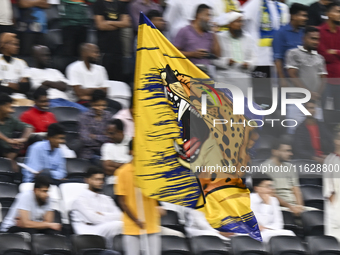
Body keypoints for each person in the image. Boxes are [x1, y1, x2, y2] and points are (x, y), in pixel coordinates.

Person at [116, 140, 161, 255]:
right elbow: (122, 202)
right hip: (132, 225)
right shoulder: (122, 172)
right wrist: (136, 220)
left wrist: (158, 206)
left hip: (151, 223)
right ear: (131, 151)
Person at [285, 26, 327, 134]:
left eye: (317, 39)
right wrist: (308, 93)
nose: (315, 42)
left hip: (314, 103)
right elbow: (292, 75)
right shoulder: (293, 53)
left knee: (316, 134)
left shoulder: (320, 58)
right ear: (304, 38)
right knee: (294, 134)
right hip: (296, 101)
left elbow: (323, 79)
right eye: (312, 38)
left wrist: (316, 95)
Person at [71, 167, 122, 248]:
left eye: (101, 179)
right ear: (87, 180)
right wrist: (107, 217)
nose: (100, 182)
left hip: (105, 229)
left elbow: (121, 216)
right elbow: (94, 219)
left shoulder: (107, 199)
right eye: (97, 179)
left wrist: (103, 214)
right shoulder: (80, 200)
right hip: (88, 231)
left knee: (123, 224)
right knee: (119, 224)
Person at [29, 45, 88, 112]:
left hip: (66, 101)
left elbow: (64, 86)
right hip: (49, 101)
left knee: (88, 112)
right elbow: (40, 90)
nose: (48, 58)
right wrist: (56, 84)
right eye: (44, 55)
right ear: (35, 57)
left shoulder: (55, 71)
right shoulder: (29, 72)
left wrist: (48, 83)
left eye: (48, 55)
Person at [213, 12, 256, 95]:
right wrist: (226, 62)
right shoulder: (220, 38)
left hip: (243, 76)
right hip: (225, 77)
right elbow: (213, 60)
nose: (241, 24)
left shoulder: (248, 38)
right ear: (230, 24)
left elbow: (254, 57)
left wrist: (249, 64)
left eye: (241, 21)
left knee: (243, 105)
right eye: (237, 21)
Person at [261, 138, 305, 216]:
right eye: (286, 151)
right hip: (279, 207)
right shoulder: (265, 167)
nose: (290, 154)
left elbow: (296, 190)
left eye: (290, 151)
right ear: (274, 152)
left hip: (294, 206)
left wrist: (300, 206)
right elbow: (271, 194)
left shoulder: (291, 167)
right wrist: (290, 207)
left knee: (316, 214)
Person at [164, 0, 240, 42]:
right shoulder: (176, 1)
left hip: (202, 36)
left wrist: (228, 17)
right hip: (179, 36)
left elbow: (212, 19)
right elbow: (168, 21)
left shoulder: (209, 1)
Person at [242, 0, 289, 68]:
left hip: (277, 54)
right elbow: (241, 17)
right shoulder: (256, 3)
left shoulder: (283, 7)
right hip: (258, 54)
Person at [250, 174, 295, 243]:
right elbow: (260, 222)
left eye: (271, 186)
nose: (271, 189)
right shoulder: (249, 200)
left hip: (270, 231)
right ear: (257, 188)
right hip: (252, 233)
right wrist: (266, 204)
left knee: (290, 233)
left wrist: (267, 228)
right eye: (268, 186)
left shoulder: (273, 200)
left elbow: (279, 224)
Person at [93, 0, 131, 81]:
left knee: (118, 79)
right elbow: (100, 25)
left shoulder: (120, 4)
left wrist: (108, 22)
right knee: (104, 78)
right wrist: (118, 24)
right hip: (104, 49)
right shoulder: (98, 3)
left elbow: (126, 23)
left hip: (118, 48)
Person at [272, 3, 308, 87]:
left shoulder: (304, 33)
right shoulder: (280, 33)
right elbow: (277, 59)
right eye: (303, 16)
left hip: (303, 78)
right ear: (294, 16)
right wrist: (282, 79)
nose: (306, 19)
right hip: (287, 79)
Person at [0, 93, 33, 171]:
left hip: (9, 149)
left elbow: (28, 127)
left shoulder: (10, 119)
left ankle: (10, 157)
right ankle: (9, 159)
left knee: (31, 137)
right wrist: (7, 140)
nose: (12, 110)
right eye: (9, 107)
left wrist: (23, 139)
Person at [318, 2, 340, 110]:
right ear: (328, 13)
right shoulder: (319, 31)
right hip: (324, 80)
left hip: (339, 78)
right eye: (337, 12)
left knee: (338, 112)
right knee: (323, 111)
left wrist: (334, 51)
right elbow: (323, 56)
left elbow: (329, 54)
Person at [0, 33, 32, 106]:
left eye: (18, 44)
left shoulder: (21, 62)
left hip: (21, 99)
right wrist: (18, 86)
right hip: (2, 100)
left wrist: (7, 84)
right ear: (5, 45)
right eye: (15, 44)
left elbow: (27, 86)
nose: (18, 47)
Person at [78, 90, 111, 161]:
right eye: (97, 105)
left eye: (103, 105)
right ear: (92, 104)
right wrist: (103, 138)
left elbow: (111, 137)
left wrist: (95, 136)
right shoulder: (84, 117)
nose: (100, 108)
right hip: (89, 153)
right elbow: (85, 139)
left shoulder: (108, 116)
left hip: (106, 151)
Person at [324, 127, 340, 242]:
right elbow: (329, 192)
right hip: (336, 211)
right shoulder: (330, 161)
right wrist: (336, 214)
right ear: (336, 141)